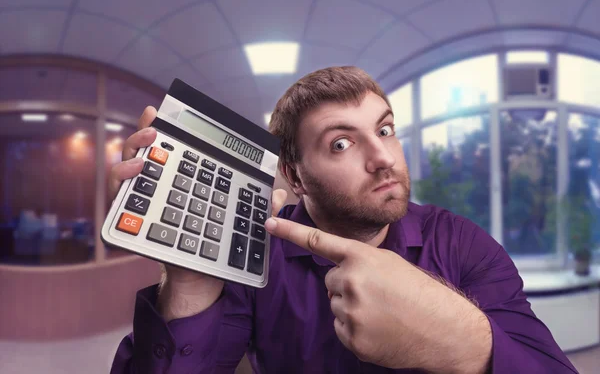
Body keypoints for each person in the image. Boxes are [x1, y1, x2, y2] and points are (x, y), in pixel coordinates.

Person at [108, 67, 577, 373]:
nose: (382, 158)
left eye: (385, 130)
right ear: (295, 175)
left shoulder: (460, 243)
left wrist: (464, 342)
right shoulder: (256, 258)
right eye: (341, 143)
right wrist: (188, 279)